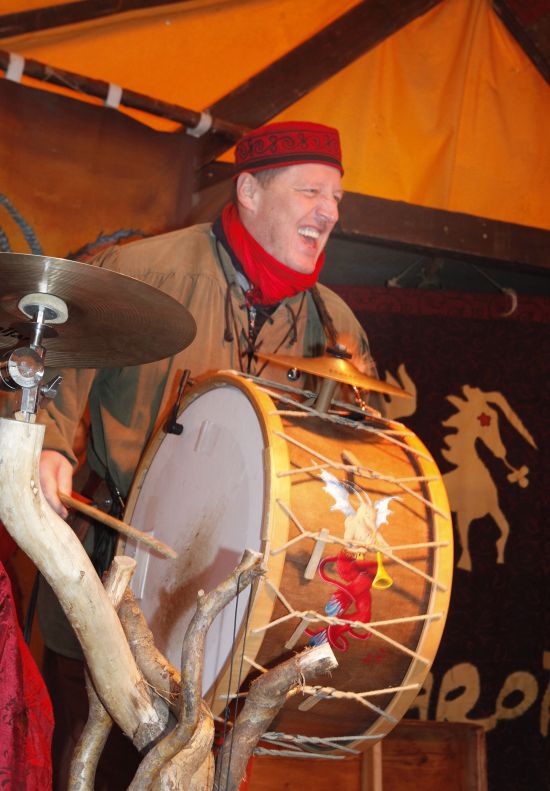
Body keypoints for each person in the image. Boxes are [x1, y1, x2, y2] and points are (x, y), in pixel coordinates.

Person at [36, 120, 380, 789]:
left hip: (245, 617)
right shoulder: (142, 272)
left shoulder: (336, 326)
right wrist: (49, 444)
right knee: (101, 767)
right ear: (250, 191)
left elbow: (359, 458)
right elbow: (52, 355)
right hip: (117, 578)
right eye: (311, 191)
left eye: (337, 198)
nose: (330, 212)